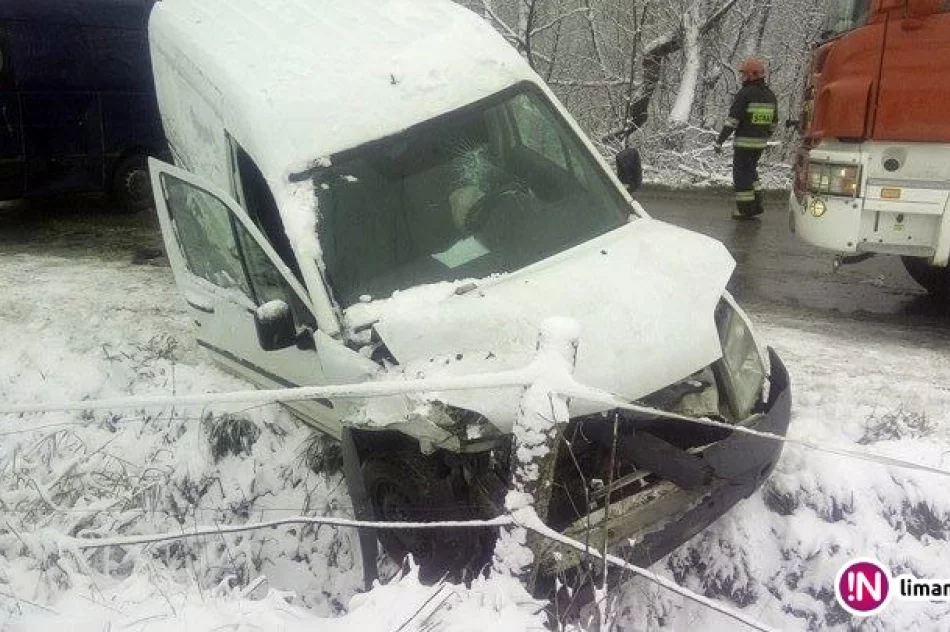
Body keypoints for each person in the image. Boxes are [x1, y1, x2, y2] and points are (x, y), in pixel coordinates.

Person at [714, 58, 778, 220]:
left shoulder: (745, 94)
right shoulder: (770, 96)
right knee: (751, 173)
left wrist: (720, 140)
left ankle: (745, 209)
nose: (742, 77)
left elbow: (732, 121)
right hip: (760, 145)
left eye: (744, 74)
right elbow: (773, 123)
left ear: (752, 75)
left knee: (741, 176)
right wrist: (763, 136)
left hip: (744, 144)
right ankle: (756, 204)